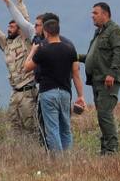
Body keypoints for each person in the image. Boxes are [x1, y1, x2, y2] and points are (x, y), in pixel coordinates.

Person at [23, 14, 85, 152]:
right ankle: (67, 159)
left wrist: (33, 51)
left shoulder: (43, 50)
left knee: (52, 129)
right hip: (65, 93)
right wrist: (81, 96)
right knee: (65, 128)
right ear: (58, 31)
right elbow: (76, 74)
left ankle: (58, 162)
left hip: (48, 93)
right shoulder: (70, 49)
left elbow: (26, 67)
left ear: (46, 31)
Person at [77, 2, 120, 155]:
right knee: (101, 115)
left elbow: (119, 53)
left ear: (105, 14)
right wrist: (75, 57)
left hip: (107, 80)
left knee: (105, 114)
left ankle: (111, 149)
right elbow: (94, 57)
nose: (92, 16)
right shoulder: (98, 33)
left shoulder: (115, 31)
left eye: (95, 13)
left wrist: (112, 73)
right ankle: (105, 149)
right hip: (96, 80)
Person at [0, 0, 39, 138]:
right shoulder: (7, 44)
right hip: (15, 92)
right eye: (8, 26)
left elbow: (25, 21)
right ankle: (20, 155)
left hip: (28, 91)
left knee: (31, 127)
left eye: (12, 26)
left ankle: (36, 155)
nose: (9, 29)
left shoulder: (26, 41)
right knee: (14, 127)